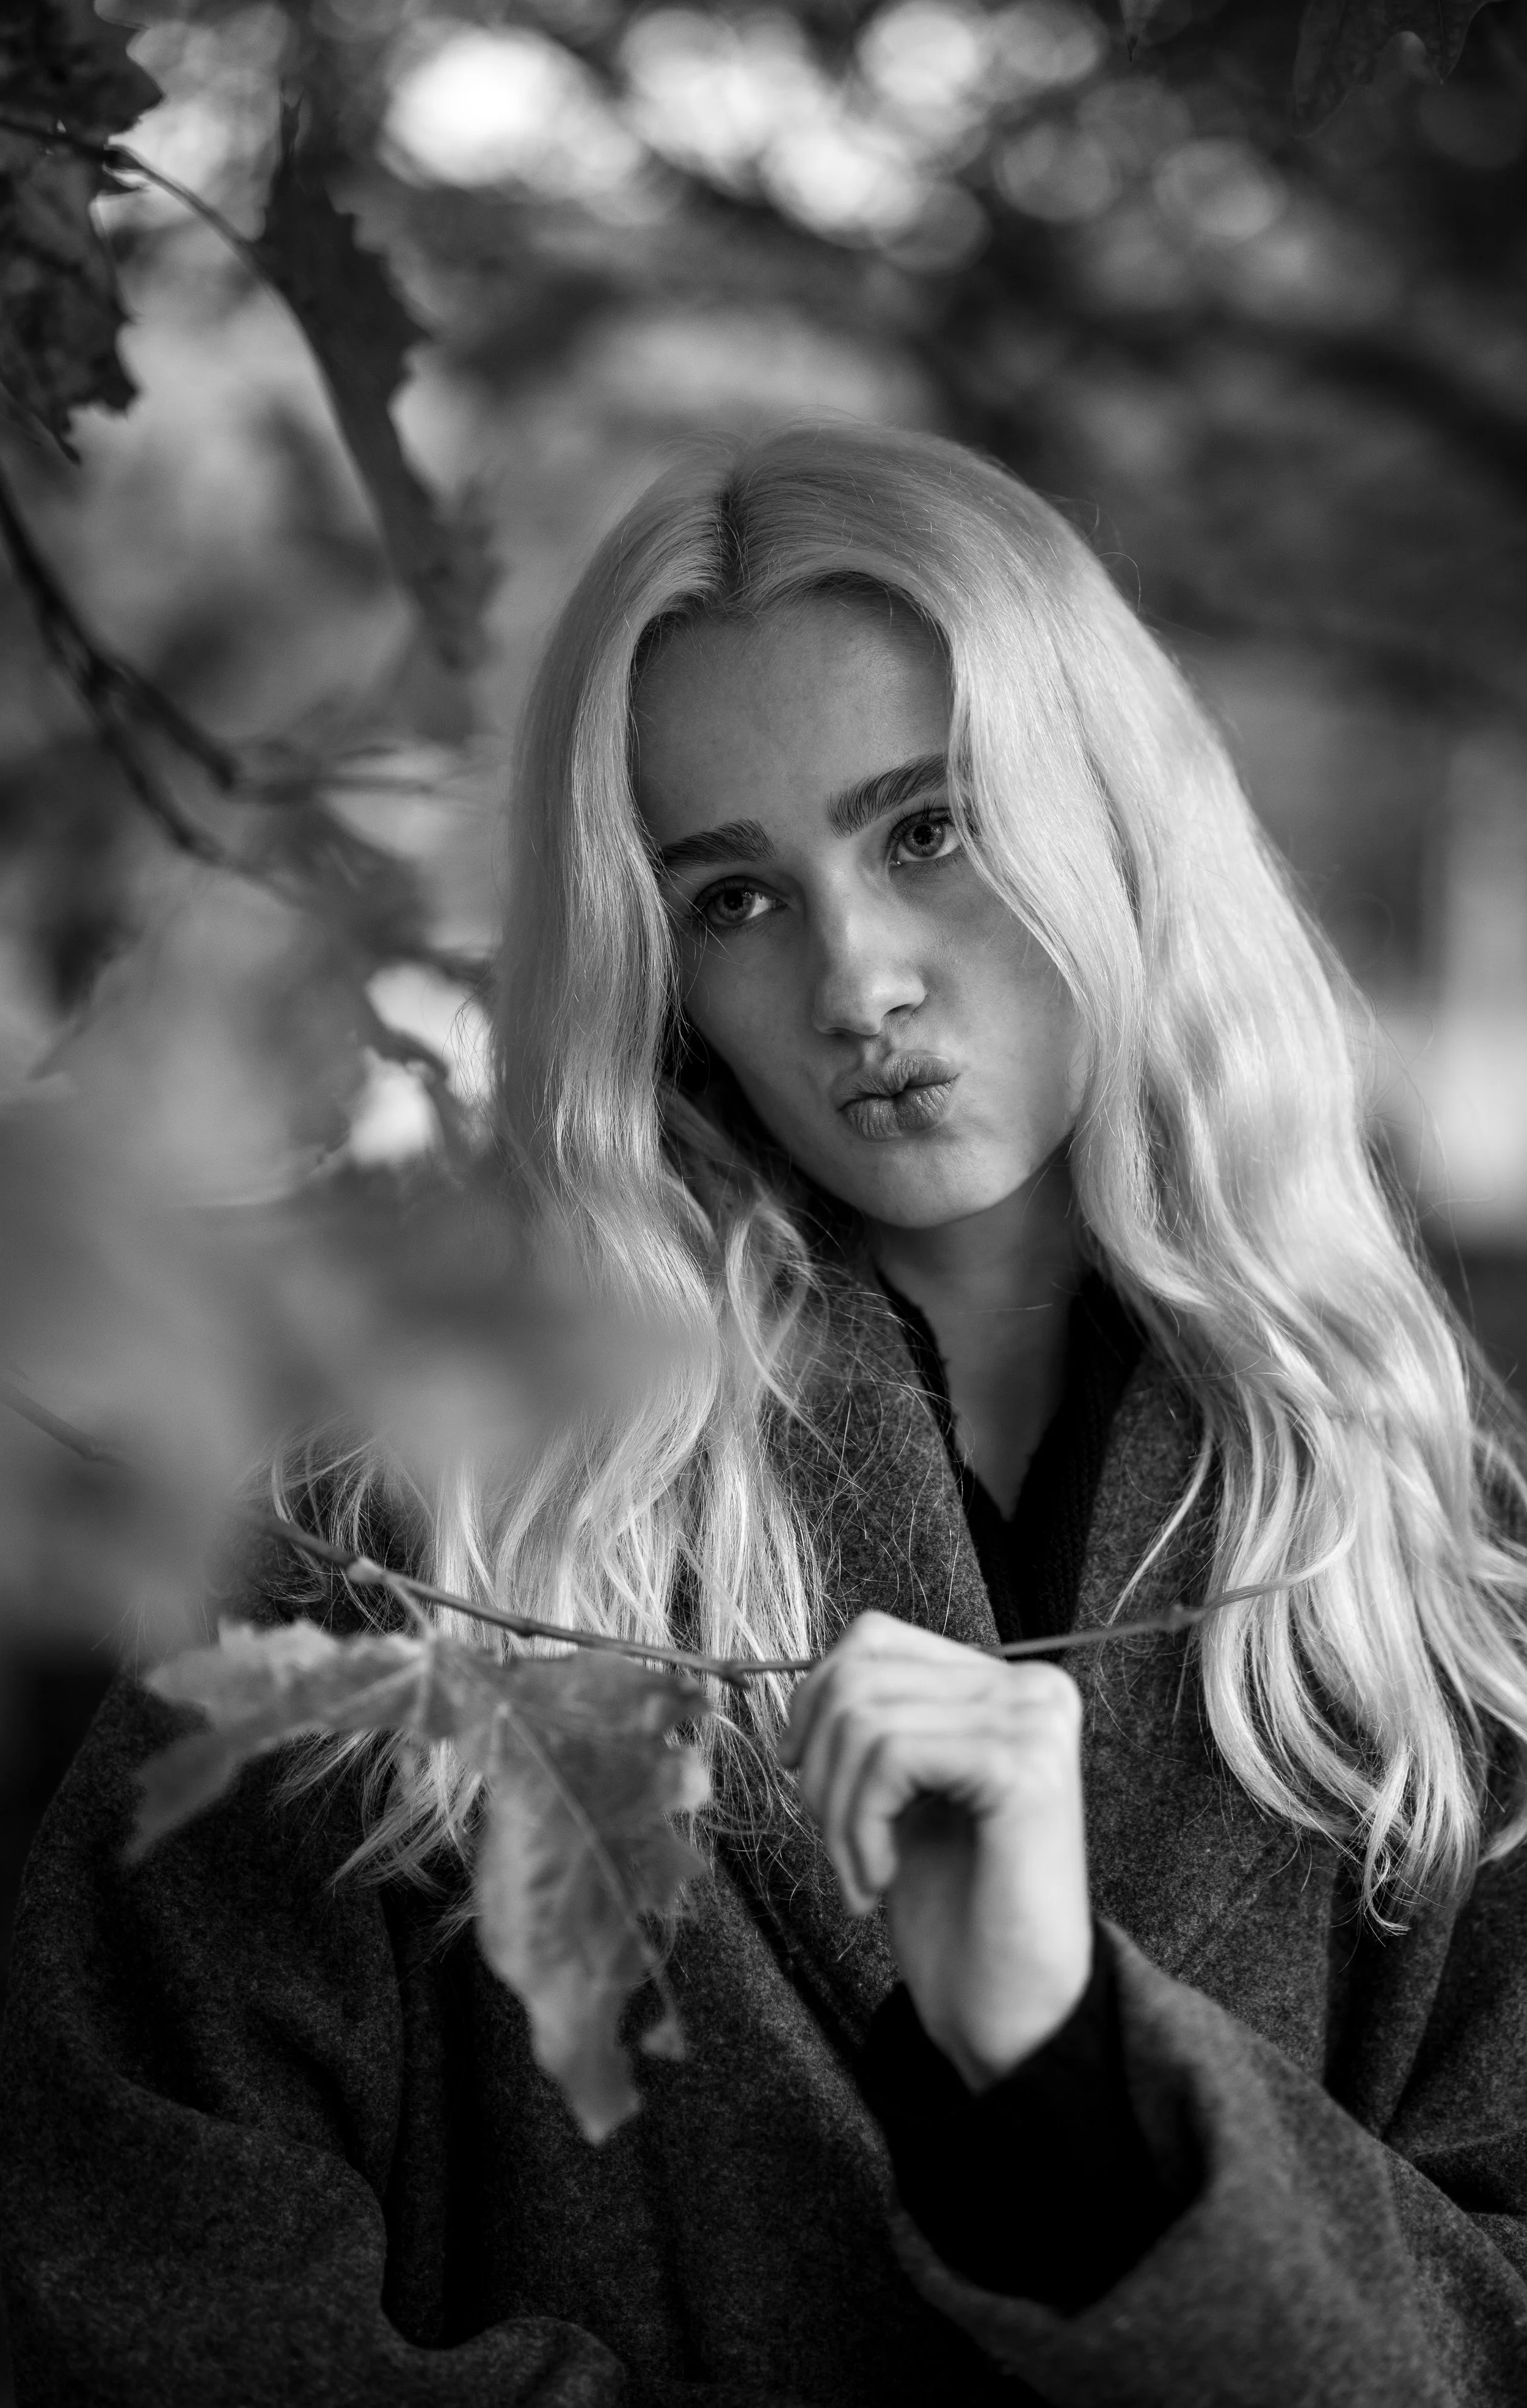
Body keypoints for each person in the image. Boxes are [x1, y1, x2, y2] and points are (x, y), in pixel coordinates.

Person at [3, 422, 1527, 2406]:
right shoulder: (420, 1515)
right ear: (656, 971)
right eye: (733, 896)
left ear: (1118, 817)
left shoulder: (1415, 1557)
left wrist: (1071, 2067)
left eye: (928, 828)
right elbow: (138, 2265)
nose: (857, 977)